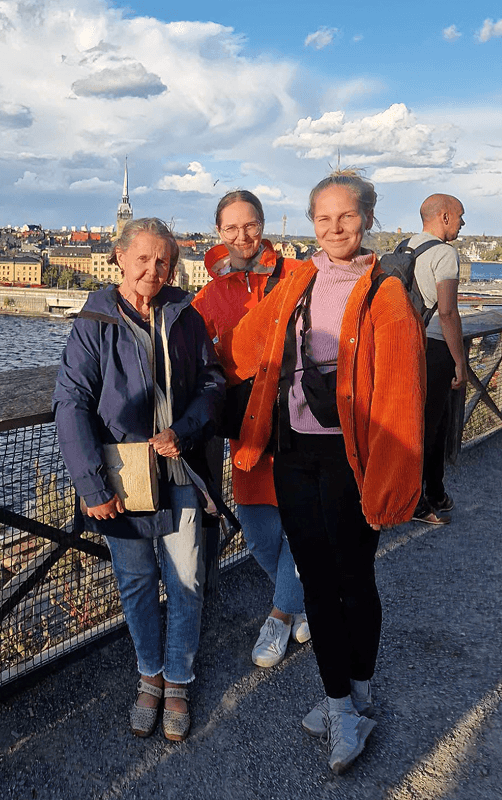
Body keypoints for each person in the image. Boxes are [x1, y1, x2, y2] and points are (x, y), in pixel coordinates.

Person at [221, 171, 426, 774]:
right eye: (324, 218)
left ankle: (350, 701)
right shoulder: (299, 280)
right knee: (317, 579)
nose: (335, 228)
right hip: (294, 451)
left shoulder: (386, 292)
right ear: (312, 222)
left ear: (366, 218)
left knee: (352, 578)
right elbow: (245, 345)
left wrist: (392, 484)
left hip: (351, 456)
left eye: (347, 216)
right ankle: (345, 700)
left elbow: (402, 394)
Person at [53, 217, 225, 742]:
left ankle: (178, 681)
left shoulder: (186, 316)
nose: (153, 269)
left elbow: (213, 382)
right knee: (136, 581)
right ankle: (150, 676)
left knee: (187, 580)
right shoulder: (95, 322)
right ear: (120, 258)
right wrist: (92, 487)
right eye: (144, 258)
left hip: (179, 469)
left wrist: (184, 430)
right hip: (122, 477)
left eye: (163, 261)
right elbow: (70, 403)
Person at [192, 190, 309, 669]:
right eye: (231, 228)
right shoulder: (208, 297)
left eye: (251, 225)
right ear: (219, 232)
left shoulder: (296, 275)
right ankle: (306, 600)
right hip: (248, 431)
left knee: (301, 529)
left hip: (299, 421)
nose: (242, 236)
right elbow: (189, 357)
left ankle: (279, 617)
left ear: (264, 224)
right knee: (260, 535)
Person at [408, 194, 468, 524]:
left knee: (427, 422)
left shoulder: (405, 247)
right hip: (434, 349)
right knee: (431, 428)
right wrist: (459, 361)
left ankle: (435, 492)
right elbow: (447, 312)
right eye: (460, 216)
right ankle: (418, 501)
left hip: (404, 346)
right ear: (444, 217)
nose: (462, 223)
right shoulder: (445, 254)